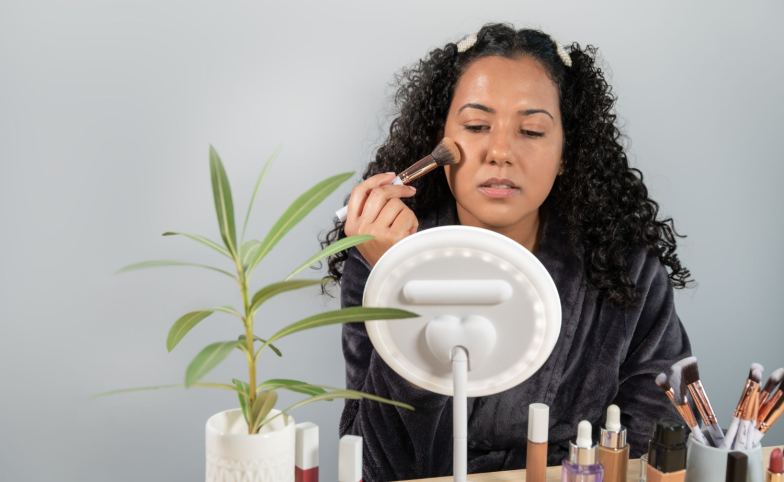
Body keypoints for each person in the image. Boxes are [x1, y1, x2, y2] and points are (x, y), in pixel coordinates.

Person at [320, 22, 694, 482]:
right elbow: (377, 466)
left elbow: (659, 437)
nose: (500, 151)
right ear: (441, 137)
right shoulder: (380, 256)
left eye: (532, 131)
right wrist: (402, 279)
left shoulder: (624, 265)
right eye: (477, 126)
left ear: (565, 154)